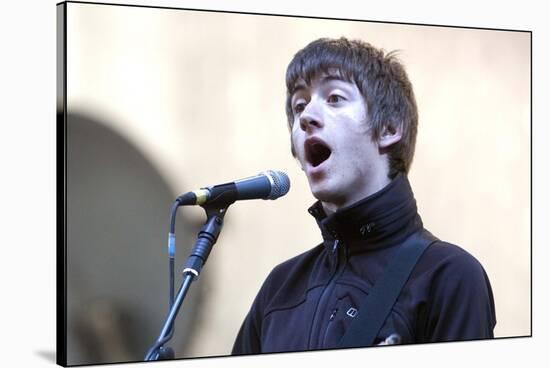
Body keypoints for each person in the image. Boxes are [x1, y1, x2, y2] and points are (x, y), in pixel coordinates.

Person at [232, 37, 496, 354]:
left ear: (388, 128)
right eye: (299, 106)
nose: (306, 116)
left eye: (334, 98)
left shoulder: (448, 276)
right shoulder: (279, 289)